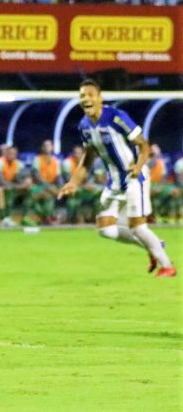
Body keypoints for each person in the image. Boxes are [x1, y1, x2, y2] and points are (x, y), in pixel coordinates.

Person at [59, 80, 176, 277]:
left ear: (99, 97)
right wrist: (73, 182)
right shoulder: (84, 125)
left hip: (133, 178)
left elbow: (143, 144)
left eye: (90, 94)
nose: (86, 99)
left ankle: (167, 266)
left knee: (138, 227)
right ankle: (153, 244)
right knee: (105, 229)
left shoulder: (115, 116)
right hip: (113, 182)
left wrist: (139, 166)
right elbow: (88, 157)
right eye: (82, 96)